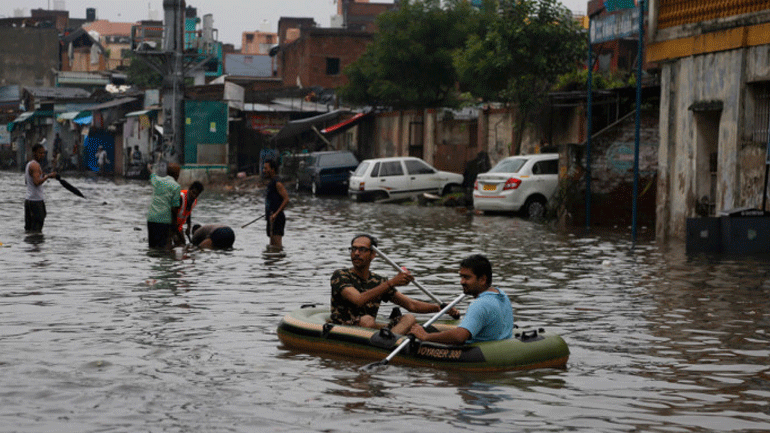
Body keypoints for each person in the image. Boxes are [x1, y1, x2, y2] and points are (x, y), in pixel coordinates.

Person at [330, 234, 459, 335]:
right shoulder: (341, 275)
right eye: (354, 249)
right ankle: (385, 341)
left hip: (371, 329)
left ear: (373, 255)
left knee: (409, 318)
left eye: (362, 249)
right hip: (344, 327)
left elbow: (411, 305)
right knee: (367, 320)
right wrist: (391, 282)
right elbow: (358, 300)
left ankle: (389, 340)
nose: (356, 253)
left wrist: (440, 308)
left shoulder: (378, 281)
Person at [410, 254, 514, 344]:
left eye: (467, 277)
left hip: (479, 353)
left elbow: (459, 337)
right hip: (498, 345)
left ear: (482, 279)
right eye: (461, 277)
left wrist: (426, 336)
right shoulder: (501, 294)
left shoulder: (480, 304)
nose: (462, 282)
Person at [146, 162, 181, 249]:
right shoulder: (176, 186)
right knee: (162, 248)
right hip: (164, 221)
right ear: (177, 175)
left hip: (151, 219)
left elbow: (152, 174)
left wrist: (149, 168)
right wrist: (175, 226)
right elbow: (175, 208)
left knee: (152, 247)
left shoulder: (158, 181)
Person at [24, 143, 57, 232]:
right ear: (34, 153)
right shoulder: (35, 165)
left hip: (30, 200)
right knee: (36, 229)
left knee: (29, 229)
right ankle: (35, 245)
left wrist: (45, 175)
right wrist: (47, 177)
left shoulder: (29, 164)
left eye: (43, 153)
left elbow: (27, 181)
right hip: (35, 201)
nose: (42, 155)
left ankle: (29, 245)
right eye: (40, 153)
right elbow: (37, 182)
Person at [263, 159, 289, 249]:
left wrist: (276, 214)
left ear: (272, 170)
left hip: (277, 219)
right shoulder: (270, 183)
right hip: (271, 218)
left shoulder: (277, 183)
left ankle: (280, 262)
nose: (264, 170)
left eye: (266, 168)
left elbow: (286, 199)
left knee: (277, 247)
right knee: (271, 247)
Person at [173, 181, 204, 246]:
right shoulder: (180, 198)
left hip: (178, 226)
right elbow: (173, 217)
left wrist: (188, 227)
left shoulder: (194, 201)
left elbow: (188, 213)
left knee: (183, 243)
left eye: (197, 195)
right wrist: (178, 235)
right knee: (178, 243)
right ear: (189, 189)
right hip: (169, 224)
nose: (194, 196)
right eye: (193, 193)